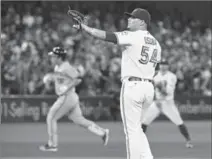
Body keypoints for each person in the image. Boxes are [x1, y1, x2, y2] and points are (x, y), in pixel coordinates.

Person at [73, 8, 161, 159]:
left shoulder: (133, 36)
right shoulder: (156, 43)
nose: (129, 19)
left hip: (133, 86)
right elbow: (156, 68)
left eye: (133, 18)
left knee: (131, 132)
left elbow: (107, 36)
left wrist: (85, 28)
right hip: (148, 87)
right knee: (138, 130)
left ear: (142, 22)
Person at [39, 47, 109, 152]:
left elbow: (78, 79)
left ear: (59, 57)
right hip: (70, 97)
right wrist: (50, 78)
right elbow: (61, 79)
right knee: (79, 120)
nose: (51, 58)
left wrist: (67, 87)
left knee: (51, 117)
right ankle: (102, 132)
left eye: (53, 56)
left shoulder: (66, 66)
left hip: (67, 96)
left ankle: (52, 145)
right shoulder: (58, 67)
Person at [142, 59, 193, 148]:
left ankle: (188, 140)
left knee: (179, 122)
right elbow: (152, 90)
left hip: (167, 103)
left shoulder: (172, 76)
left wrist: (158, 86)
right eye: (162, 64)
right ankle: (138, 141)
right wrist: (155, 99)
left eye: (165, 64)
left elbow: (167, 92)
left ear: (168, 66)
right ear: (159, 66)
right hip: (157, 103)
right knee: (144, 122)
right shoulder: (155, 76)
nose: (163, 66)